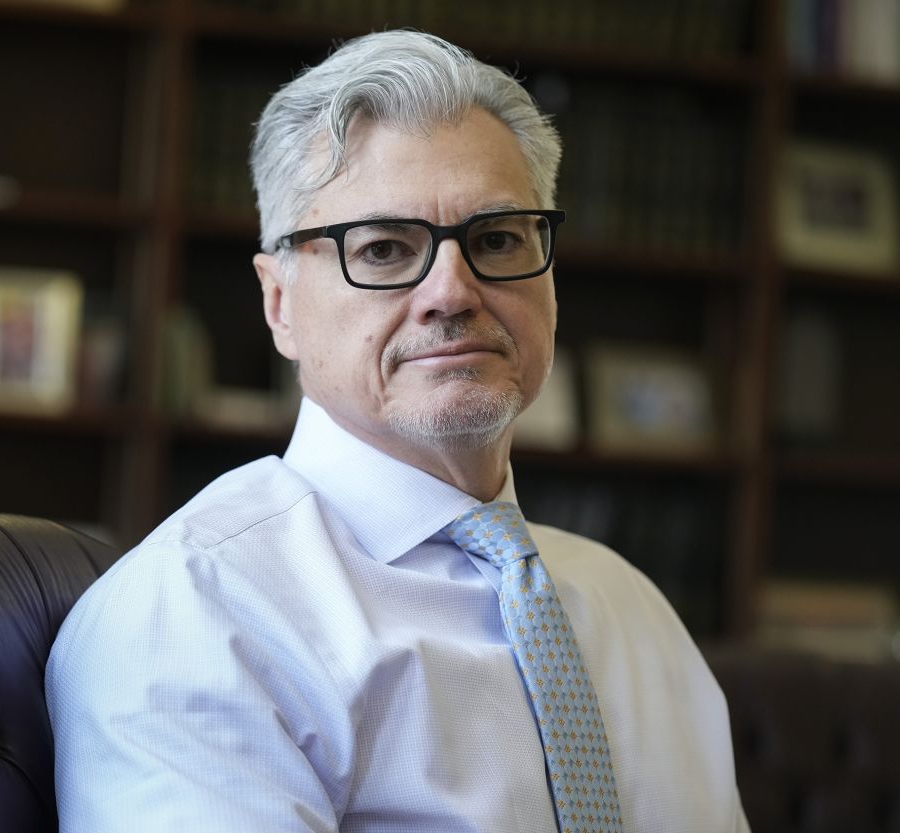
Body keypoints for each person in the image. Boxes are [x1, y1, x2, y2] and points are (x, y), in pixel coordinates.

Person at [47, 30, 749, 833]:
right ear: (280, 302)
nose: (451, 291)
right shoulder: (198, 614)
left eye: (495, 240)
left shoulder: (630, 606)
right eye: (383, 249)